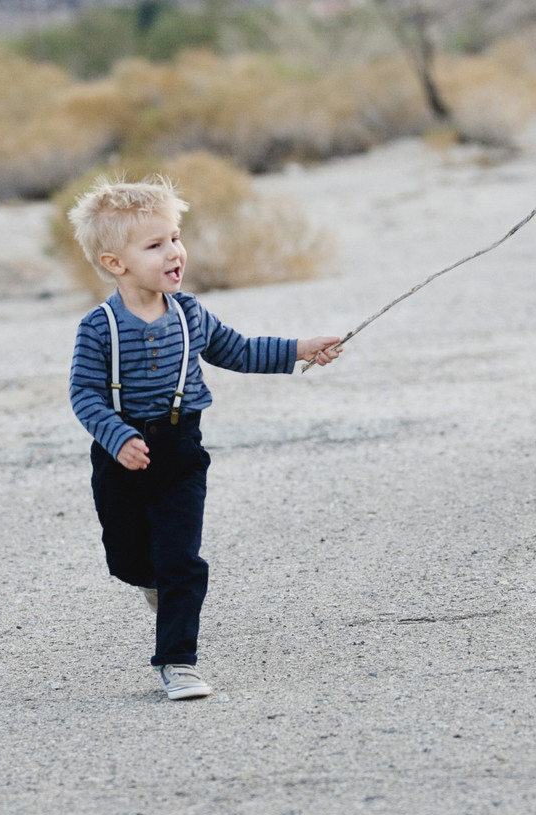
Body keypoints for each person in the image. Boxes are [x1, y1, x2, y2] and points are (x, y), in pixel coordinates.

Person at [68, 174, 341, 700]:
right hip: (120, 457)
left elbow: (238, 350)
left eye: (175, 238)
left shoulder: (191, 313)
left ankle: (178, 663)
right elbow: (84, 395)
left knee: (182, 560)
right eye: (155, 245)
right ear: (115, 264)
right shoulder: (99, 327)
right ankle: (156, 586)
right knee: (128, 560)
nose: (174, 253)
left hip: (179, 452)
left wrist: (301, 349)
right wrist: (116, 437)